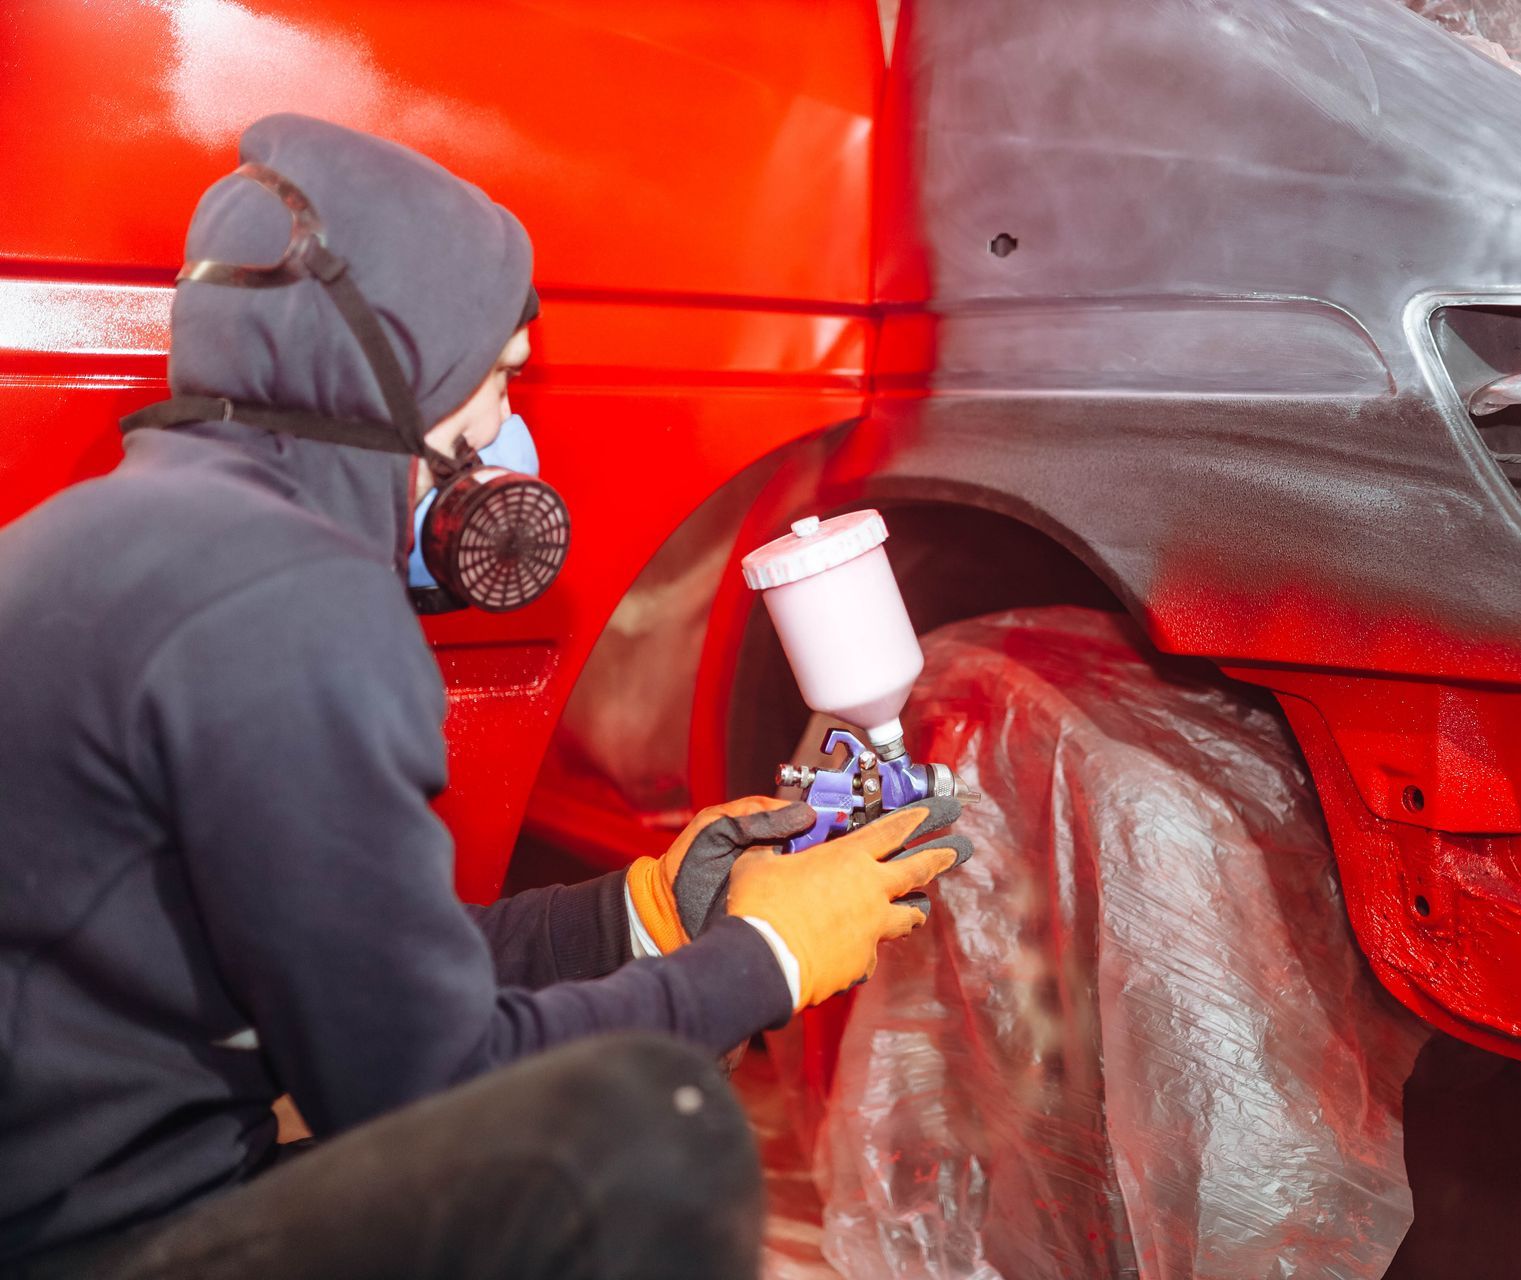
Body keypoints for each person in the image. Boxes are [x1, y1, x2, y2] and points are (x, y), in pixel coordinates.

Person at [0, 114, 968, 1279]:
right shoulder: (295, 601)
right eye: (498, 380)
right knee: (643, 1134)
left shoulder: (99, 534)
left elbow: (361, 964)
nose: (509, 436)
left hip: (68, 1204)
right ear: (389, 366)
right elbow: (420, 1081)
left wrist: (645, 913)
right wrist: (769, 957)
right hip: (106, 1248)